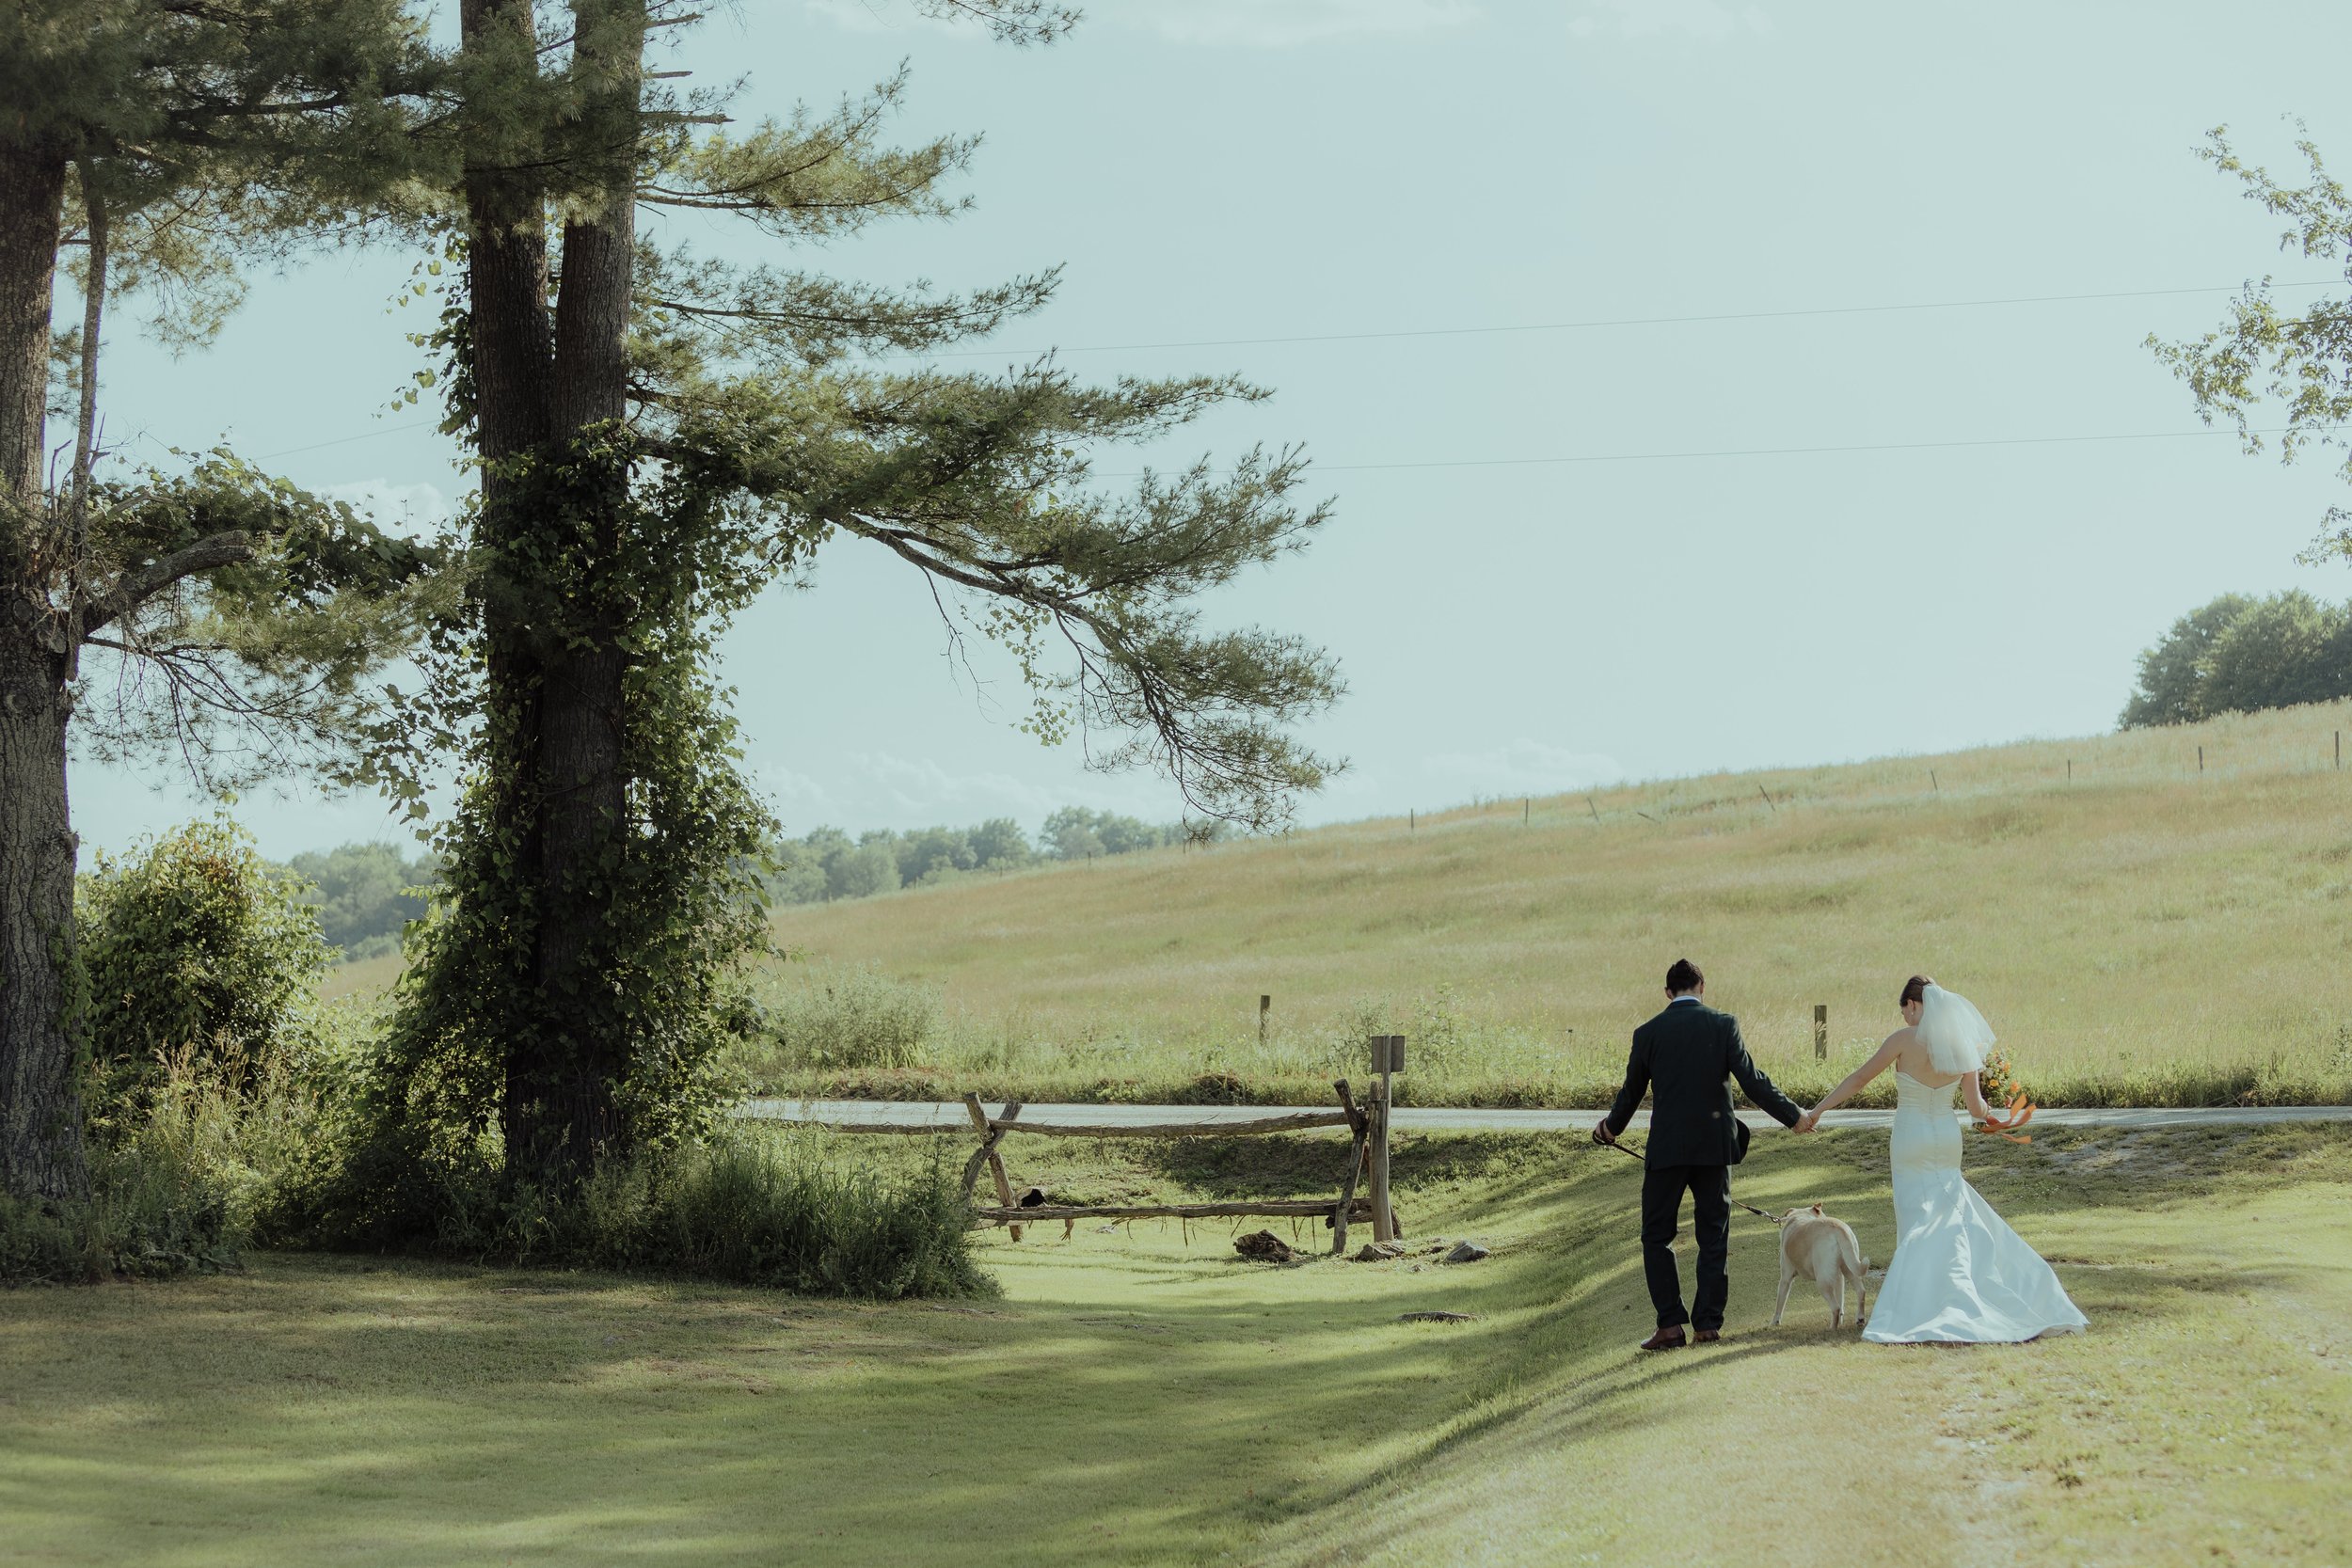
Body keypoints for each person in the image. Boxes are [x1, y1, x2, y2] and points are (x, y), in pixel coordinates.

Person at [1799, 976, 2088, 1344]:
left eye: (1905, 1009)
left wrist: (1818, 1110)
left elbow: (1858, 1079)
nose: (1905, 1017)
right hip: (1946, 1138)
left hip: (1909, 1138)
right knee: (1950, 1211)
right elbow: (1975, 1108)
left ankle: (1928, 1300)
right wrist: (1994, 1114)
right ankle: (1963, 1288)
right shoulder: (1962, 1046)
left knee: (1918, 1217)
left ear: (1914, 1005)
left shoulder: (1903, 1041)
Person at [1592, 958, 1806, 1351]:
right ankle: (1707, 1324)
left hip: (1667, 1150)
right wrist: (1793, 1117)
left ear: (1668, 993)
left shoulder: (1648, 1033)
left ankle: (1670, 1325)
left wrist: (1609, 1129)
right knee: (1714, 1234)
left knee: (1657, 1236)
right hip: (1714, 1148)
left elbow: (1631, 1093)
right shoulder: (1724, 1025)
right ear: (1702, 988)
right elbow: (1752, 1081)